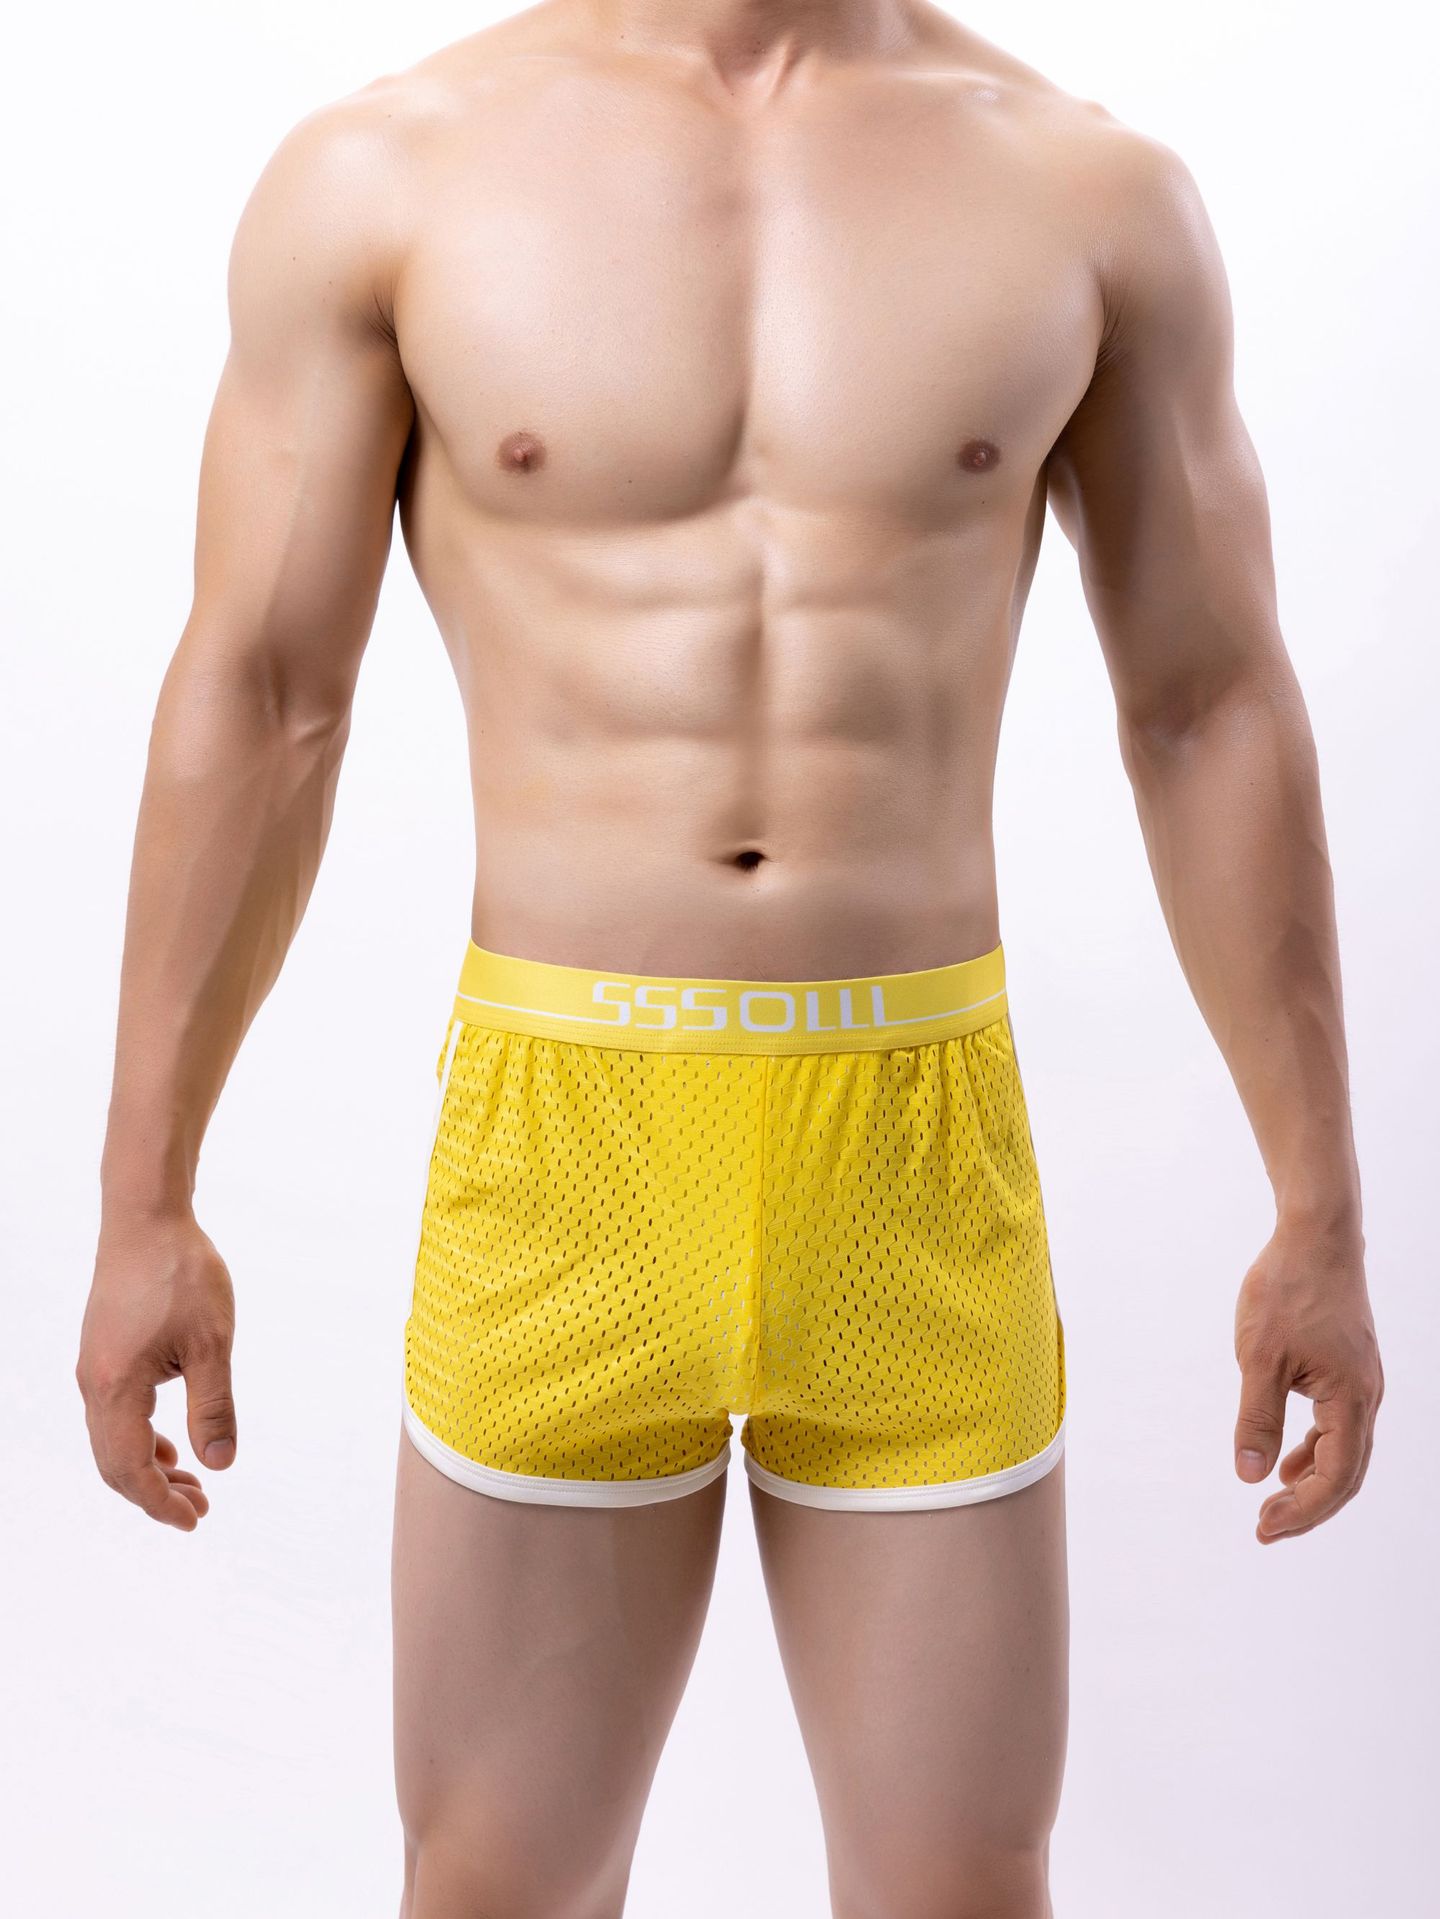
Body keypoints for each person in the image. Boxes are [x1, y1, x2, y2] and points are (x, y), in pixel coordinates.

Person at [76, 2, 1383, 1913]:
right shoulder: (394, 175)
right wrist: (144, 1201)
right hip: (568, 1138)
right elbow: (267, 696)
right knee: (497, 1886)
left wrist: (1320, 1211)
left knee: (960, 1891)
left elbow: (1209, 706)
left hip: (913, 1145)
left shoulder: (1083, 194)